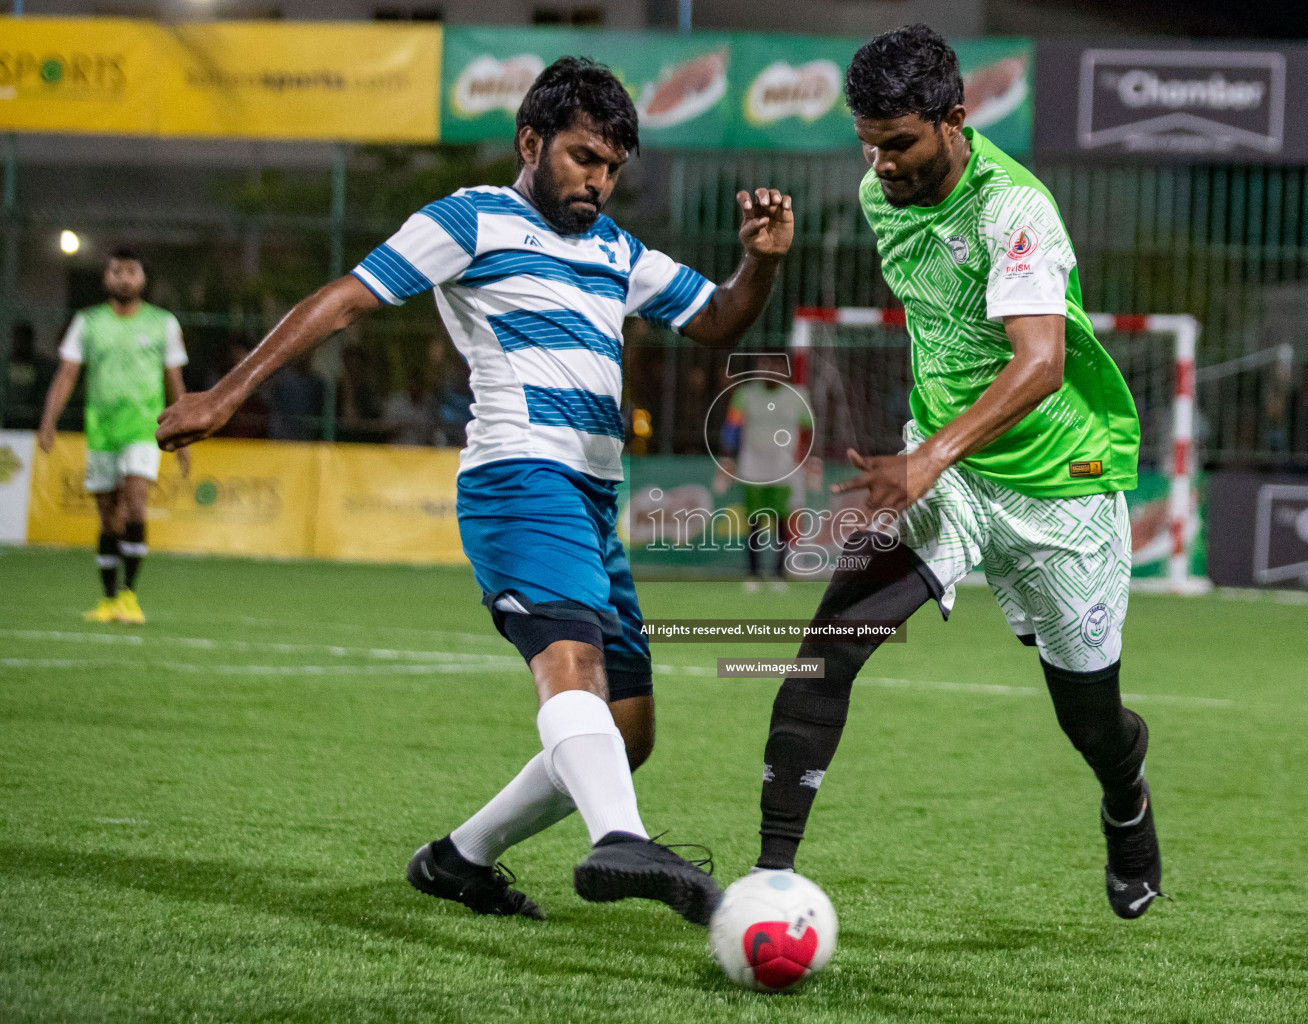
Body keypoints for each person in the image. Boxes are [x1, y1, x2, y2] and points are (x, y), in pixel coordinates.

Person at [157, 58, 793, 925]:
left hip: (593, 502)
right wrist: (227, 394)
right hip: (518, 479)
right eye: (580, 157)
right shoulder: (471, 219)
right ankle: (621, 840)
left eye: (610, 167)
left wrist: (758, 264)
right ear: (530, 142)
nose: (597, 181)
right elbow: (346, 300)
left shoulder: (618, 249)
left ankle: (458, 859)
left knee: (628, 732)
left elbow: (717, 319)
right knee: (570, 668)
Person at [751, 25, 1163, 920]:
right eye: (868, 142)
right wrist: (932, 458)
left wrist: (926, 456)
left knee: (1090, 723)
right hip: (948, 475)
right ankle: (767, 882)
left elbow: (1041, 363)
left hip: (1064, 489)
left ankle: (1126, 803)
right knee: (828, 653)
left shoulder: (1013, 209)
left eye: (899, 143)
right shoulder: (878, 193)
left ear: (955, 119)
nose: (881, 164)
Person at [37, 246, 190, 625]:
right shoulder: (87, 322)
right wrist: (48, 420)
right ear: (106, 277)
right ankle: (107, 599)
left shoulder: (163, 323)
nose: (124, 277)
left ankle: (130, 596)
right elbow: (68, 374)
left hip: (143, 429)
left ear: (143, 277)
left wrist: (184, 432)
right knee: (107, 515)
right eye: (116, 271)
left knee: (136, 503)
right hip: (102, 430)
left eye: (131, 271)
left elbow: (175, 382)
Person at [715, 353, 813, 592]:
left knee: (781, 522)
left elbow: (808, 428)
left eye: (775, 366)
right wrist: (728, 458)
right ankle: (753, 574)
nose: (768, 371)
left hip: (783, 468)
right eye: (764, 366)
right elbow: (732, 427)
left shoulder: (798, 396)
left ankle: (779, 573)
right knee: (755, 522)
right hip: (752, 466)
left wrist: (805, 459)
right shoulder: (745, 394)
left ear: (784, 370)